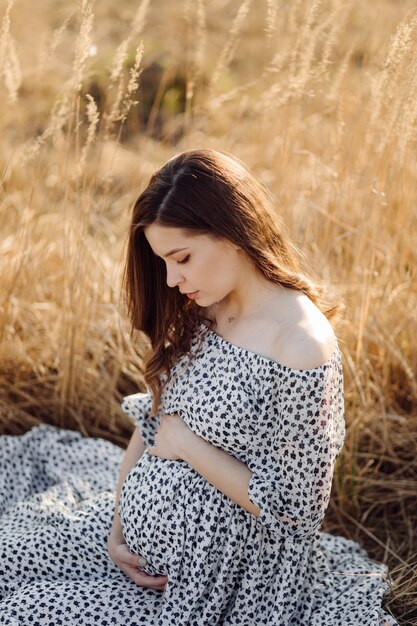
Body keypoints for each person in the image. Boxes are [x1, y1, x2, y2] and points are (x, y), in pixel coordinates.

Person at [0, 149, 396, 625]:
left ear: (231, 231)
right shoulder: (206, 308)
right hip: (135, 545)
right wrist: (118, 528)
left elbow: (295, 511)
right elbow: (155, 419)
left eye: (181, 257)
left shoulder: (299, 344)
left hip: (219, 584)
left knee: (26, 613)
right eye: (163, 262)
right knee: (11, 554)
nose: (171, 279)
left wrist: (189, 446)